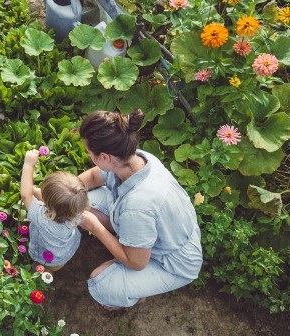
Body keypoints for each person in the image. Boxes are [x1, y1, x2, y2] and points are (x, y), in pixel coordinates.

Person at [77, 109, 203, 310]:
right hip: (161, 231)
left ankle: (136, 295)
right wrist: (67, 191)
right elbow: (93, 177)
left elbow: (136, 263)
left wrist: (95, 227)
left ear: (105, 157)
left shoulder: (138, 206)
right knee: (82, 202)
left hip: (174, 263)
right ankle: (130, 245)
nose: (88, 155)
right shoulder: (135, 159)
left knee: (101, 285)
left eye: (89, 152)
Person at [20, 149, 87, 272]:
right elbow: (57, 204)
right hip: (65, 253)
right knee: (54, 266)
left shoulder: (41, 218)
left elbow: (25, 195)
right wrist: (35, 191)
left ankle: (43, 275)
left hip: (46, 257)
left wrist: (28, 164)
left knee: (43, 269)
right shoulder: (77, 210)